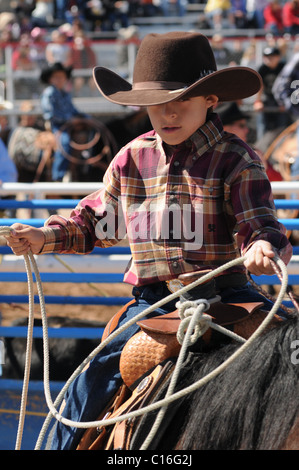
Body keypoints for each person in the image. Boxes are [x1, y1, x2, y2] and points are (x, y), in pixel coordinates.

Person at [5, 32, 292, 450]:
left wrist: (262, 245)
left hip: (229, 294)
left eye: (180, 100)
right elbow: (94, 223)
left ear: (210, 99)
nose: (166, 113)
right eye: (156, 104)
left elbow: (258, 220)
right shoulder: (131, 159)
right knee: (88, 384)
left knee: (289, 357)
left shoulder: (237, 158)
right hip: (152, 304)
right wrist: (44, 237)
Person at [40, 61, 87, 181]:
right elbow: (50, 114)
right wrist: (70, 120)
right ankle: (58, 175)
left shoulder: (65, 94)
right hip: (57, 126)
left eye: (62, 77)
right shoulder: (49, 93)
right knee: (64, 142)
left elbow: (73, 110)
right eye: (56, 77)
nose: (60, 80)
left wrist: (85, 117)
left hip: (70, 124)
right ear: (50, 79)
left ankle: (83, 167)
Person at [254, 46, 291, 137]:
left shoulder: (285, 68)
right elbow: (259, 87)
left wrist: (286, 102)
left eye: (272, 56)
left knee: (282, 130)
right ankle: (262, 148)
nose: (269, 59)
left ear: (278, 57)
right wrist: (258, 101)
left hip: (282, 100)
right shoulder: (262, 69)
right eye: (266, 56)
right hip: (267, 99)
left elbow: (289, 86)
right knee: (263, 127)